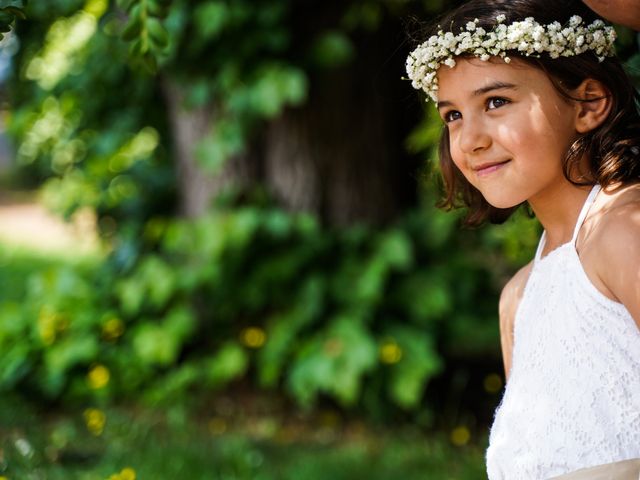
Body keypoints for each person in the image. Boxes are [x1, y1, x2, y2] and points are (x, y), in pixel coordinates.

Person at [406, 0, 640, 479]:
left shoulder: (623, 232)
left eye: (495, 103)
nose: (469, 139)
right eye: (452, 115)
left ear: (589, 103)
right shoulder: (518, 296)